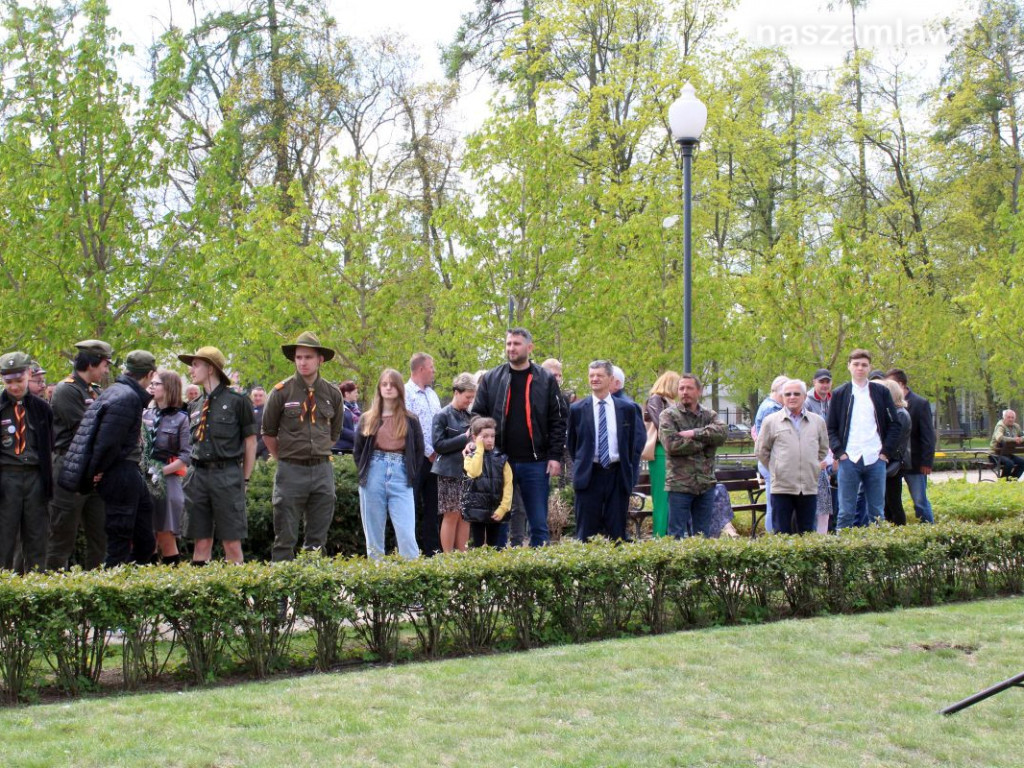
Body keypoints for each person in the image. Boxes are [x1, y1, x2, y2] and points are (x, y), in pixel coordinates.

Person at [61, 351, 158, 568]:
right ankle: (112, 586)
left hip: (126, 471)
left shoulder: (116, 392)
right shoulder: (127, 397)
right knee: (119, 539)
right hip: (119, 472)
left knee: (144, 540)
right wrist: (97, 471)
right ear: (150, 374)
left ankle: (130, 579)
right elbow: (107, 442)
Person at [472, 328, 566, 547]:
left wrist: (554, 456)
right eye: (508, 344)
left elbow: (558, 420)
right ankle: (500, 573)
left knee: (538, 524)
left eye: (516, 343)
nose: (511, 348)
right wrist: (480, 442)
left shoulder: (545, 379)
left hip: (536, 462)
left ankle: (538, 573)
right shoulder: (492, 378)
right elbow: (477, 415)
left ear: (529, 347)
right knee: (499, 521)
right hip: (499, 461)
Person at [262, 332, 344, 561]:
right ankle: (281, 596)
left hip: (321, 470)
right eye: (299, 357)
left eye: (308, 357)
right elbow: (268, 433)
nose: (303, 362)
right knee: (284, 539)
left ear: (320, 360)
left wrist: (317, 450)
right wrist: (284, 458)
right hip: (290, 470)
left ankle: (311, 595)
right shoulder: (281, 392)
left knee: (317, 542)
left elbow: (334, 433)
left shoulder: (332, 394)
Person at [179, 346, 257, 565]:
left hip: (226, 475)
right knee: (201, 542)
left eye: (195, 365)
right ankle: (201, 596)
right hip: (198, 476)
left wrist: (245, 478)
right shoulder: (195, 405)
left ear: (210, 368)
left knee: (231, 543)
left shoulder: (238, 401)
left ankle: (237, 596)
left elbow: (250, 442)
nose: (191, 370)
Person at [47, 339, 111, 570]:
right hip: (70, 467)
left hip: (94, 470)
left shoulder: (95, 391)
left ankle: (96, 589)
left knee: (101, 535)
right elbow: (85, 430)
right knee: (61, 536)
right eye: (105, 365)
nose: (106, 371)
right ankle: (51, 591)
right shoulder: (66, 389)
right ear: (93, 363)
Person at [566, 360, 645, 541]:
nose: (595, 379)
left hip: (617, 475)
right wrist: (583, 464)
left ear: (610, 379)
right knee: (586, 532)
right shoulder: (577, 409)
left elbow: (634, 444)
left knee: (617, 532)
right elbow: (573, 444)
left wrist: (629, 473)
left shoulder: (627, 409)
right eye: (591, 375)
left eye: (599, 375)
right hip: (589, 474)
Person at [826, 349, 900, 529]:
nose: (860, 368)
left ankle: (877, 552)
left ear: (869, 367)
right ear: (849, 366)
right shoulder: (840, 393)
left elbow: (895, 424)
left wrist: (885, 453)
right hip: (849, 458)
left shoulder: (881, 392)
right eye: (856, 364)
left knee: (877, 512)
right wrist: (839, 452)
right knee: (845, 512)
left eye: (864, 365)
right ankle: (843, 552)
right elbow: (830, 428)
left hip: (875, 458)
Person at [353, 369, 423, 559]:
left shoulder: (410, 420)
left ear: (400, 388)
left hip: (401, 473)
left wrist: (411, 473)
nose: (388, 388)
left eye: (392, 384)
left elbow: (418, 450)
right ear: (379, 388)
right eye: (384, 384)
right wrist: (363, 472)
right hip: (374, 471)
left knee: (407, 534)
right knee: (374, 536)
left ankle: (413, 579)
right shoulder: (368, 418)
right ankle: (378, 581)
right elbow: (358, 450)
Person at [0, 352, 54, 571]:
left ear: (28, 375)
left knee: (36, 538)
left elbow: (49, 445)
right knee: (4, 538)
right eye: (8, 382)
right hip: (6, 477)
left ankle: (35, 587)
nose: (14, 387)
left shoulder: (42, 409)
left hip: (35, 477)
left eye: (19, 381)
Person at [754, 379, 829, 534]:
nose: (792, 397)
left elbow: (822, 449)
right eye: (787, 394)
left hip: (808, 487)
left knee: (807, 533)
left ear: (804, 396)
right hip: (782, 486)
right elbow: (762, 451)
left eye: (796, 394)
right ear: (782, 397)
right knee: (782, 533)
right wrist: (777, 468)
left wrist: (812, 466)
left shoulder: (817, 422)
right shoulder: (771, 421)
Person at [659, 374, 727, 538]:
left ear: (699, 391)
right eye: (681, 388)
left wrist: (693, 433)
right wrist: (706, 442)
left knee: (702, 535)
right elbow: (671, 445)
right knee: (676, 534)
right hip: (679, 485)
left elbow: (722, 433)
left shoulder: (709, 415)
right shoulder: (668, 415)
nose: (684, 392)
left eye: (689, 388)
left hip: (705, 484)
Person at [142, 370, 191, 565]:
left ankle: (172, 586)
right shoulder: (145, 414)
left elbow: (185, 455)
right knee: (146, 535)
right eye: (151, 383)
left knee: (165, 536)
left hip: (167, 480)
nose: (151, 387)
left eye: (156, 384)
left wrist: (160, 471)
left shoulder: (181, 418)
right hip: (144, 478)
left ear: (169, 388)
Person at [431, 373, 477, 552]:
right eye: (467, 397)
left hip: (467, 471)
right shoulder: (442, 415)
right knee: (451, 515)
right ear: (456, 392)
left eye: (472, 397)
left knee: (465, 515)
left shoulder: (470, 416)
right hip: (448, 472)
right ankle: (448, 557)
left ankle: (462, 555)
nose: (470, 401)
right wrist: (463, 438)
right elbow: (439, 445)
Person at [885, 368, 936, 522]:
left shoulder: (920, 403)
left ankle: (929, 529)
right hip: (895, 463)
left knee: (920, 501)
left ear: (900, 384)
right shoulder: (888, 405)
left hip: (914, 462)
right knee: (892, 500)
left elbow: (928, 434)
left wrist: (927, 461)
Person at [405, 352, 442, 556]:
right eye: (431, 367)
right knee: (410, 507)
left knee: (432, 508)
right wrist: (427, 451)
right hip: (416, 459)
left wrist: (437, 451)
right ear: (421, 369)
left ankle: (432, 551)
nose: (434, 371)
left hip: (435, 461)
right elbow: (408, 429)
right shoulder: (405, 394)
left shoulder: (432, 394)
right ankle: (409, 552)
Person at [461, 417, 513, 548]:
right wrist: (479, 449)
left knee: (493, 546)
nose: (490, 440)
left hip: (496, 510)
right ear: (475, 437)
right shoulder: (470, 457)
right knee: (477, 545)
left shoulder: (502, 459)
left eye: (492, 436)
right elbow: (474, 472)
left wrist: (503, 508)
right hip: (476, 511)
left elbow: (508, 486)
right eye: (484, 436)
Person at [643, 371, 680, 537]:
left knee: (671, 499)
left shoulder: (671, 401)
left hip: (670, 452)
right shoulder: (656, 399)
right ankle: (659, 537)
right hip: (661, 451)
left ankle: (668, 535)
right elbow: (662, 425)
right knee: (662, 498)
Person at [751, 375, 787, 533]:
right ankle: (773, 536)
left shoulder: (768, 405)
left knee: (776, 503)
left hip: (773, 461)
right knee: (775, 503)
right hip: (772, 462)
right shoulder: (772, 409)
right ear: (780, 392)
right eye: (788, 393)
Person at [804, 369, 836, 533]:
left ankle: (824, 533)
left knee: (826, 502)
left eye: (827, 382)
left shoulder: (833, 400)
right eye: (821, 382)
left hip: (829, 452)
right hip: (813, 456)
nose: (824, 385)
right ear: (814, 382)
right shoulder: (807, 402)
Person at [880, 379, 912, 526]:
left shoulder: (900, 414)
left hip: (893, 462)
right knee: (888, 502)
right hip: (891, 461)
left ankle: (900, 530)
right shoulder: (895, 413)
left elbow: (895, 440)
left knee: (893, 501)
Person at [990, 409, 1024, 479]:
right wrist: (1014, 439)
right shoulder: (1000, 426)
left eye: (1012, 417)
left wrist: (1021, 439)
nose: (1011, 419)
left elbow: (1022, 435)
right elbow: (999, 438)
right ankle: (1003, 482)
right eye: (1008, 417)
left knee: (1022, 462)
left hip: (1008, 454)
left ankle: (1012, 481)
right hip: (995, 454)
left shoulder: (1016, 427)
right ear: (1004, 418)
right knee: (1009, 463)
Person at [331, 380, 360, 455]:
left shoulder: (355, 409)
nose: (357, 394)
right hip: (342, 450)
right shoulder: (338, 408)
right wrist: (357, 437)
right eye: (355, 392)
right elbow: (339, 429)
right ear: (347, 394)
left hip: (355, 448)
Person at [250, 386, 269, 460]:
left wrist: (255, 449)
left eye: (260, 396)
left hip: (264, 453)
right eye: (255, 395)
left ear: (265, 397)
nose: (257, 398)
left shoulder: (269, 412)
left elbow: (268, 434)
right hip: (247, 452)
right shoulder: (247, 411)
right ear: (251, 397)